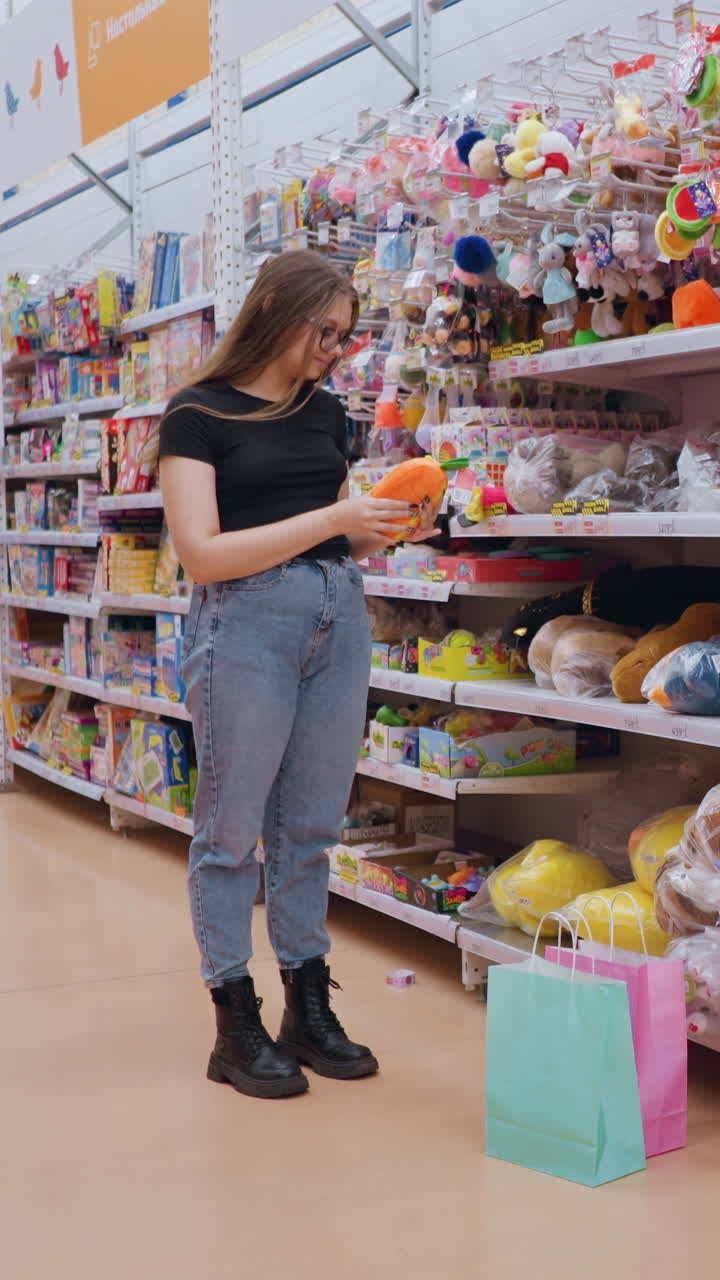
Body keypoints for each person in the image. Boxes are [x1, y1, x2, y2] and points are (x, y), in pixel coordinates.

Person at [159, 251, 429, 1101]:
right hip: (240, 623)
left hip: (336, 615)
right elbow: (202, 554)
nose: (334, 351)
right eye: (325, 332)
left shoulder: (327, 414)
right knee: (231, 832)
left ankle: (306, 1008)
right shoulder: (195, 415)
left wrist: (386, 528)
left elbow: (329, 538)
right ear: (276, 309)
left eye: (345, 339)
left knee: (312, 826)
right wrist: (336, 516)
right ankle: (233, 1020)